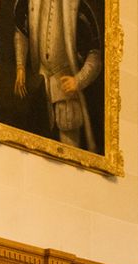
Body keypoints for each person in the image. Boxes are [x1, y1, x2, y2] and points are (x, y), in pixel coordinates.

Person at [12, 0, 104, 151]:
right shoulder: (28, 3)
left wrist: (78, 80)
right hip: (40, 86)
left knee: (69, 147)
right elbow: (21, 33)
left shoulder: (79, 7)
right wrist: (20, 66)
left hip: (66, 91)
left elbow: (94, 55)